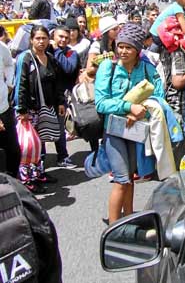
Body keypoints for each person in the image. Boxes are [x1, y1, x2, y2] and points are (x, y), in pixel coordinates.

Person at [95, 22, 164, 224]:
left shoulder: (147, 69)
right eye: (120, 46)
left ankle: (128, 218)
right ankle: (114, 228)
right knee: (121, 180)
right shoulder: (108, 67)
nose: (123, 51)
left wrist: (140, 112)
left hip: (136, 129)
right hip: (114, 131)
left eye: (129, 47)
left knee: (130, 178)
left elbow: (159, 95)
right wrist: (128, 107)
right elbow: (101, 102)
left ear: (138, 49)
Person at [15, 25, 65, 192]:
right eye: (38, 38)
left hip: (46, 107)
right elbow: (21, 84)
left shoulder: (50, 58)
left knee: (39, 142)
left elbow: (57, 82)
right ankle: (26, 179)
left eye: (44, 38)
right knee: (28, 145)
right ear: (31, 40)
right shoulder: (26, 58)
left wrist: (60, 102)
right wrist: (21, 110)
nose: (41, 41)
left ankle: (38, 174)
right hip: (29, 110)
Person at [45, 25, 79, 168]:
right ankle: (40, 161)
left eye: (66, 37)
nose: (63, 40)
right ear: (53, 37)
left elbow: (68, 68)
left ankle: (63, 156)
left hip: (61, 97)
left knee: (59, 127)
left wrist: (58, 51)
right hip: (45, 96)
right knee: (42, 128)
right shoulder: (45, 52)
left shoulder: (71, 53)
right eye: (60, 37)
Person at [0, 39, 20, 178]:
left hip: (4, 108)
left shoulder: (2, 47)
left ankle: (12, 186)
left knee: (13, 151)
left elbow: (9, 64)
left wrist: (9, 84)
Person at [80, 16, 119, 83]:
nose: (117, 31)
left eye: (117, 29)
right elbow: (89, 69)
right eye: (114, 29)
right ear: (107, 32)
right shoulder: (97, 46)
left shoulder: (114, 46)